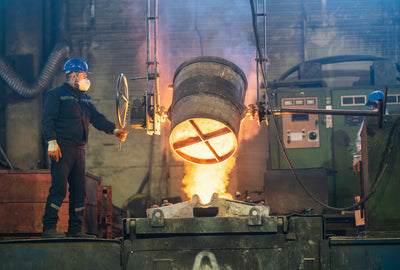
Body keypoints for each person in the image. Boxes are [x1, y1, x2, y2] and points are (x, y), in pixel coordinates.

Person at [41, 58, 129, 238]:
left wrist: (114, 129)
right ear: (72, 76)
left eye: (85, 75)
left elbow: (96, 118)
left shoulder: (85, 98)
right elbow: (47, 120)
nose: (85, 78)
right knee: (58, 189)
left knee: (79, 191)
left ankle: (75, 230)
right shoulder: (56, 94)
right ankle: (49, 229)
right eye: (83, 75)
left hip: (79, 150)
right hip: (62, 149)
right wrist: (51, 141)